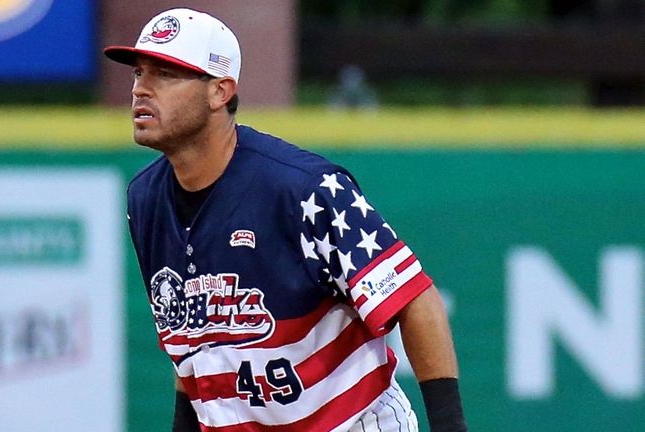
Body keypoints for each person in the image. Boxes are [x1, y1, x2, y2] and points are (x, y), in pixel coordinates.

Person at [104, 8, 467, 432]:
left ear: (220, 91)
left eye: (165, 74)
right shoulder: (144, 200)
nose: (141, 89)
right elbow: (189, 342)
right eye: (138, 73)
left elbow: (415, 299)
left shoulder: (303, 189)